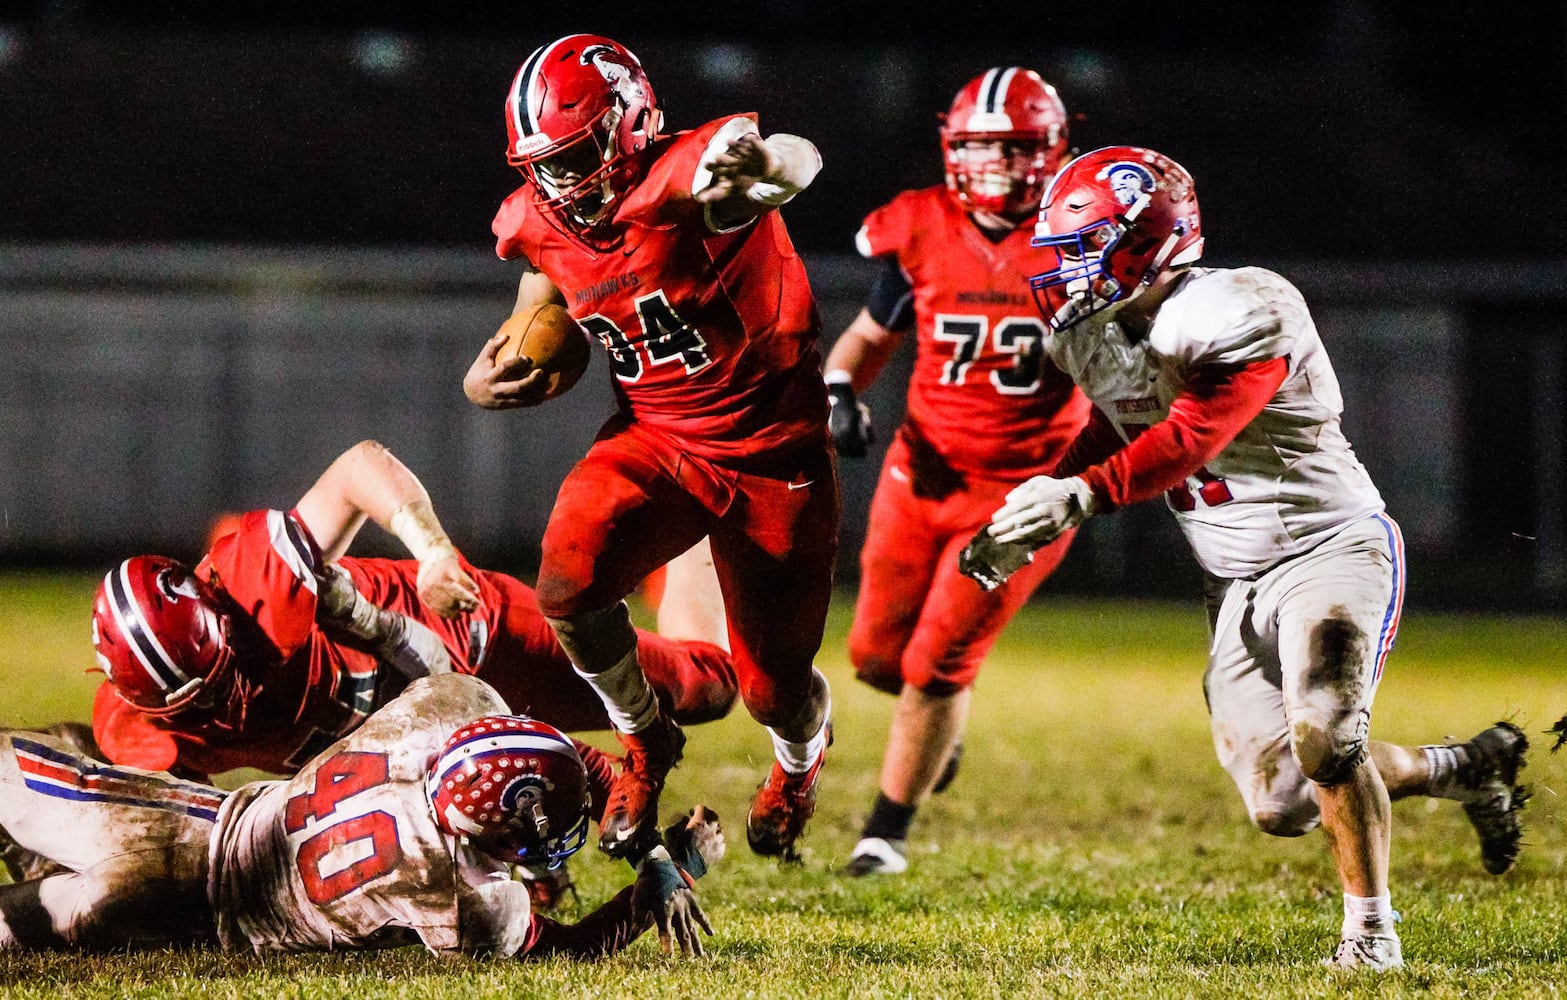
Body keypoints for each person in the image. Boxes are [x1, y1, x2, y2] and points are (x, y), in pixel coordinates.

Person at [959, 145, 1530, 970]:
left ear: (1146, 242)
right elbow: (1120, 424)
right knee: (1282, 801)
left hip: (1327, 548)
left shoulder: (1243, 305)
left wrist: (1082, 497)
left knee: (1327, 735)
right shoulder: (1088, 332)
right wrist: (1045, 491)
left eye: (1083, 249)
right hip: (1229, 577)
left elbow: (1191, 438)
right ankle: (1467, 767)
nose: (1063, 272)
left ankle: (1369, 936)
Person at [463, 33, 837, 863]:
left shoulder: (692, 170)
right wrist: (499, 364)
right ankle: (643, 741)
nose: (563, 181)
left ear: (632, 122)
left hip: (772, 452)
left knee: (773, 687)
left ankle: (799, 759)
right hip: (658, 438)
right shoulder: (538, 211)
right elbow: (543, 278)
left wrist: (764, 173)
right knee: (565, 583)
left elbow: (782, 158)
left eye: (580, 153)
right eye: (547, 162)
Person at [88, 438, 738, 786]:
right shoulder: (143, 734)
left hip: (473, 643)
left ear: (220, 619)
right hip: (413, 749)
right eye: (196, 705)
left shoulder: (254, 582)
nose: (222, 707)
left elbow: (356, 467)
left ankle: (693, 489)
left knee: (706, 688)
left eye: (216, 681)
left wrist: (431, 554)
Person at [819, 67, 1092, 877]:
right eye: (976, 151)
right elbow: (868, 338)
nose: (993, 169)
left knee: (934, 666)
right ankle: (945, 721)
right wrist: (838, 393)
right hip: (923, 473)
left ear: (1048, 152)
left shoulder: (1083, 239)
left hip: (1024, 496)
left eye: (1010, 152)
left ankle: (885, 833)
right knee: (875, 658)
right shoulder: (922, 227)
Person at [0, 671, 724, 958]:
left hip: (185, 824)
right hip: (169, 913)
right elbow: (569, 952)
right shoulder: (468, 902)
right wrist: (670, 871)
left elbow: (543, 760)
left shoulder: (437, 716)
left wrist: (647, 848)